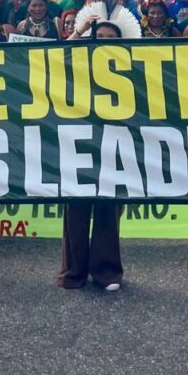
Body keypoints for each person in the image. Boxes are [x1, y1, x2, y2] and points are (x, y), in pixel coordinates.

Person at [58, 17, 136, 291]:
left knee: (108, 209)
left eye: (110, 37)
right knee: (76, 210)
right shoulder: (76, 62)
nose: (103, 40)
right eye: (99, 35)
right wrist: (78, 31)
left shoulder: (131, 68)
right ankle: (73, 273)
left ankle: (107, 273)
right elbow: (53, 56)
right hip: (77, 145)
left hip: (114, 147)